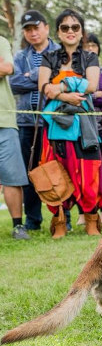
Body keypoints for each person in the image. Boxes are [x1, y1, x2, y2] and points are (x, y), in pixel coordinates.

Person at [38, 8, 102, 238]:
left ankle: (91, 219)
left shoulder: (90, 57)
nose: (70, 31)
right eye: (65, 27)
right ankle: (59, 222)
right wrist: (65, 96)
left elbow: (92, 85)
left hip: (83, 126)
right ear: (58, 32)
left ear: (81, 32)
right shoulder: (49, 56)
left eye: (75, 27)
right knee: (56, 171)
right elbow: (43, 87)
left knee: (89, 172)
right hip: (57, 124)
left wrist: (64, 85)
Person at [10, 10, 61, 231]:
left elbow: (60, 81)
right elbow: (14, 84)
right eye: (28, 29)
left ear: (46, 28)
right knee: (30, 171)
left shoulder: (59, 52)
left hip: (54, 122)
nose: (33, 33)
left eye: (36, 27)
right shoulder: (20, 56)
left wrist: (35, 78)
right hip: (26, 122)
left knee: (56, 169)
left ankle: (61, 216)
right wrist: (41, 79)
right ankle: (33, 220)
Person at [75, 33, 102, 225]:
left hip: (100, 126)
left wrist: (94, 94)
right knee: (82, 171)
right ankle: (83, 213)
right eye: (87, 46)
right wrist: (93, 93)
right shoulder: (78, 71)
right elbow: (85, 94)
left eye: (94, 45)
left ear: (99, 48)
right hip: (81, 126)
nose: (91, 49)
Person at [0, 35, 30, 240]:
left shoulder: (1, 41)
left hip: (5, 120)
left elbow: (7, 68)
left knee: (12, 176)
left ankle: (18, 226)